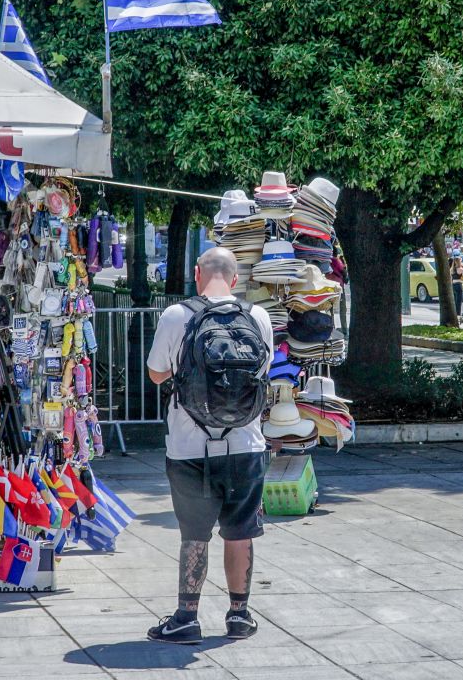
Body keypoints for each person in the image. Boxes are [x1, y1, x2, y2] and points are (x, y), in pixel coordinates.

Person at [145, 247, 274, 644]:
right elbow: (262, 372)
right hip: (246, 445)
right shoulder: (258, 317)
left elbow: (155, 374)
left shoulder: (176, 316)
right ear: (235, 280)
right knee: (240, 531)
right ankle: (239, 616)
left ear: (197, 273)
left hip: (189, 448)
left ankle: (186, 619)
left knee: (194, 534)